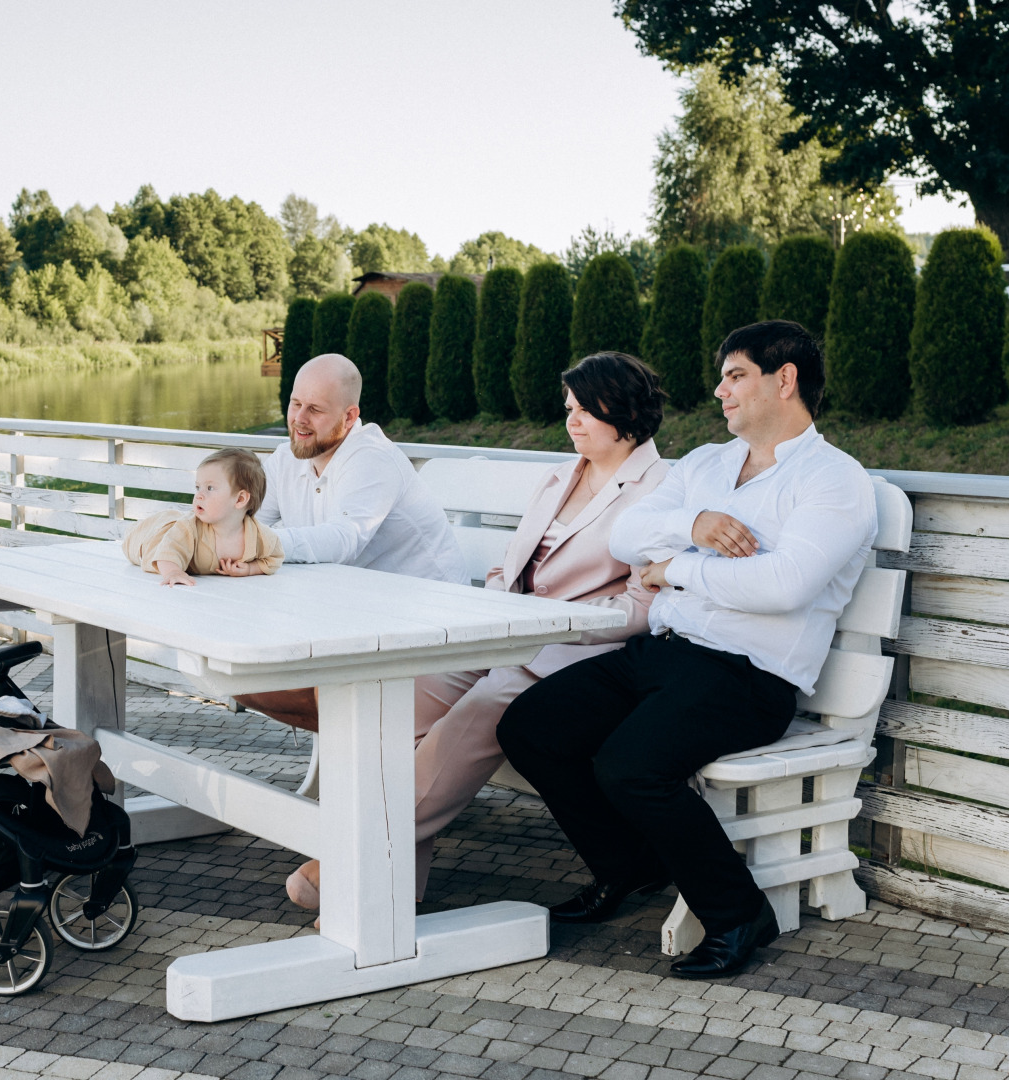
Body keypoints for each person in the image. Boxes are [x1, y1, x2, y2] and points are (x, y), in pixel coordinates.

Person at [498, 320, 877, 979]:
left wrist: (671, 570)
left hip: (749, 676)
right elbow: (625, 536)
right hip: (668, 652)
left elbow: (782, 587)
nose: (718, 390)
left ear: (783, 379)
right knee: (531, 726)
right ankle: (630, 867)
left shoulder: (832, 481)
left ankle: (736, 914)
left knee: (629, 766)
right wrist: (694, 526)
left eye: (734, 376)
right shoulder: (705, 463)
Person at [282, 352, 672, 914]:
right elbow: (508, 568)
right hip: (501, 632)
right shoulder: (563, 474)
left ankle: (351, 855)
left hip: (571, 654)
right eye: (569, 408)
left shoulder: (655, 489)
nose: (573, 420)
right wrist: (487, 614)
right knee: (397, 700)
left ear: (628, 412)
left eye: (587, 409)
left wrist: (553, 622)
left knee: (481, 709)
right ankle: (396, 890)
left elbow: (644, 606)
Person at [237, 352, 466, 731]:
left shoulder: (370, 459)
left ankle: (361, 774)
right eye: (295, 404)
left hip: (431, 639)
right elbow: (246, 521)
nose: (299, 419)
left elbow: (344, 539)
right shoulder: (286, 458)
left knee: (263, 680)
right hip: (360, 630)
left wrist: (253, 546)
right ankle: (353, 769)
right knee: (242, 676)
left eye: (315, 409)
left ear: (349, 417)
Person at [123, 447, 284, 585]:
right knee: (138, 540)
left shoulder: (259, 536)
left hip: (175, 526)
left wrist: (250, 569)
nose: (199, 495)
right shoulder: (188, 528)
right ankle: (134, 531)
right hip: (155, 537)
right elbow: (168, 552)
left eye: (210, 488)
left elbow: (275, 557)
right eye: (198, 487)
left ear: (240, 499)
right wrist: (173, 572)